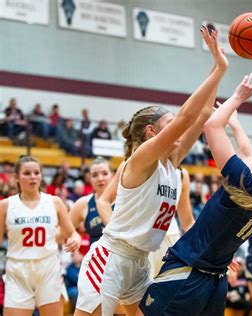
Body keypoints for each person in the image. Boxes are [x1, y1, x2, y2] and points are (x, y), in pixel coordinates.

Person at [74, 26, 227, 316]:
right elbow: (186, 117)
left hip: (140, 260)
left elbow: (203, 114)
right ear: (151, 132)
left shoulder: (173, 163)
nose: (178, 130)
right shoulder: (142, 158)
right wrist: (219, 69)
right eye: (168, 125)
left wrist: (217, 64)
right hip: (112, 257)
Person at [139, 74, 252, 316]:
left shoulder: (244, 182)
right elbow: (248, 154)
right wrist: (235, 124)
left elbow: (212, 126)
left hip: (188, 271)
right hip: (215, 281)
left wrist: (238, 97)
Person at [0, 155, 81, 316]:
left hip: (48, 269)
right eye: (27, 173)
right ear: (16, 177)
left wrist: (75, 240)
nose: (32, 177)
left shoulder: (55, 202)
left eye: (36, 173)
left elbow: (73, 233)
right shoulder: (6, 205)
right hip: (18, 270)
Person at [69, 157, 114, 247]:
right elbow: (62, 231)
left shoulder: (124, 199)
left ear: (112, 175)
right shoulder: (83, 204)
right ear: (89, 178)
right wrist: (75, 235)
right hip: (96, 259)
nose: (100, 178)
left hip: (124, 258)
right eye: (95, 175)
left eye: (105, 173)